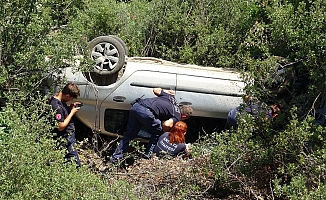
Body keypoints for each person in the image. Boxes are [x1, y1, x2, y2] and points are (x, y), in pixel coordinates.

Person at [110, 88, 193, 163]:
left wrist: (165, 91)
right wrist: (164, 129)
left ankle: (115, 158)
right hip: (146, 113)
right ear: (184, 116)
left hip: (136, 106)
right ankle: (147, 157)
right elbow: (167, 124)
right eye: (184, 119)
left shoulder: (171, 98)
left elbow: (155, 90)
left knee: (128, 135)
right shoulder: (177, 115)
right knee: (158, 132)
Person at [48, 82, 82, 167]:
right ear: (67, 95)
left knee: (69, 161)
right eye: (71, 98)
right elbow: (60, 126)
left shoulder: (61, 100)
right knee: (75, 164)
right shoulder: (56, 106)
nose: (71, 100)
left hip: (68, 136)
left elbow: (63, 114)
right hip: (65, 137)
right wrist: (72, 113)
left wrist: (70, 108)